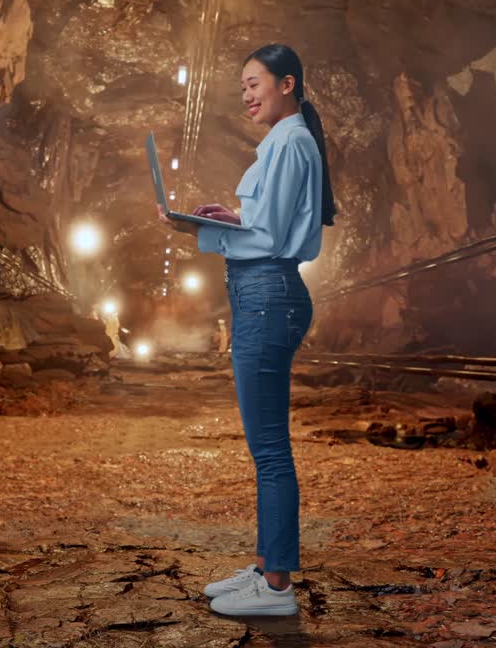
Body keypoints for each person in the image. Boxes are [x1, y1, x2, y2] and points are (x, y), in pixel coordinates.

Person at [159, 43, 336, 617]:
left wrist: (199, 232)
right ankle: (267, 566)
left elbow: (270, 241)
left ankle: (278, 588)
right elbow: (267, 226)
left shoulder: (289, 143)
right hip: (262, 294)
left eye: (255, 83)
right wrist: (231, 219)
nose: (247, 95)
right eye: (242, 87)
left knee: (271, 451)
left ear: (288, 83)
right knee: (266, 448)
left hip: (267, 294)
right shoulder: (283, 143)